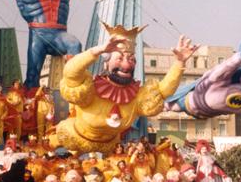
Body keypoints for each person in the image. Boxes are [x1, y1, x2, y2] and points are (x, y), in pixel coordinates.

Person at [53, 24, 198, 155]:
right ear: (106, 64)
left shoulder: (137, 96)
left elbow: (163, 91)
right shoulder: (90, 88)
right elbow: (71, 73)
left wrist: (179, 63)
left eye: (131, 59)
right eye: (119, 58)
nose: (127, 65)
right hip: (74, 137)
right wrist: (98, 50)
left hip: (109, 146)